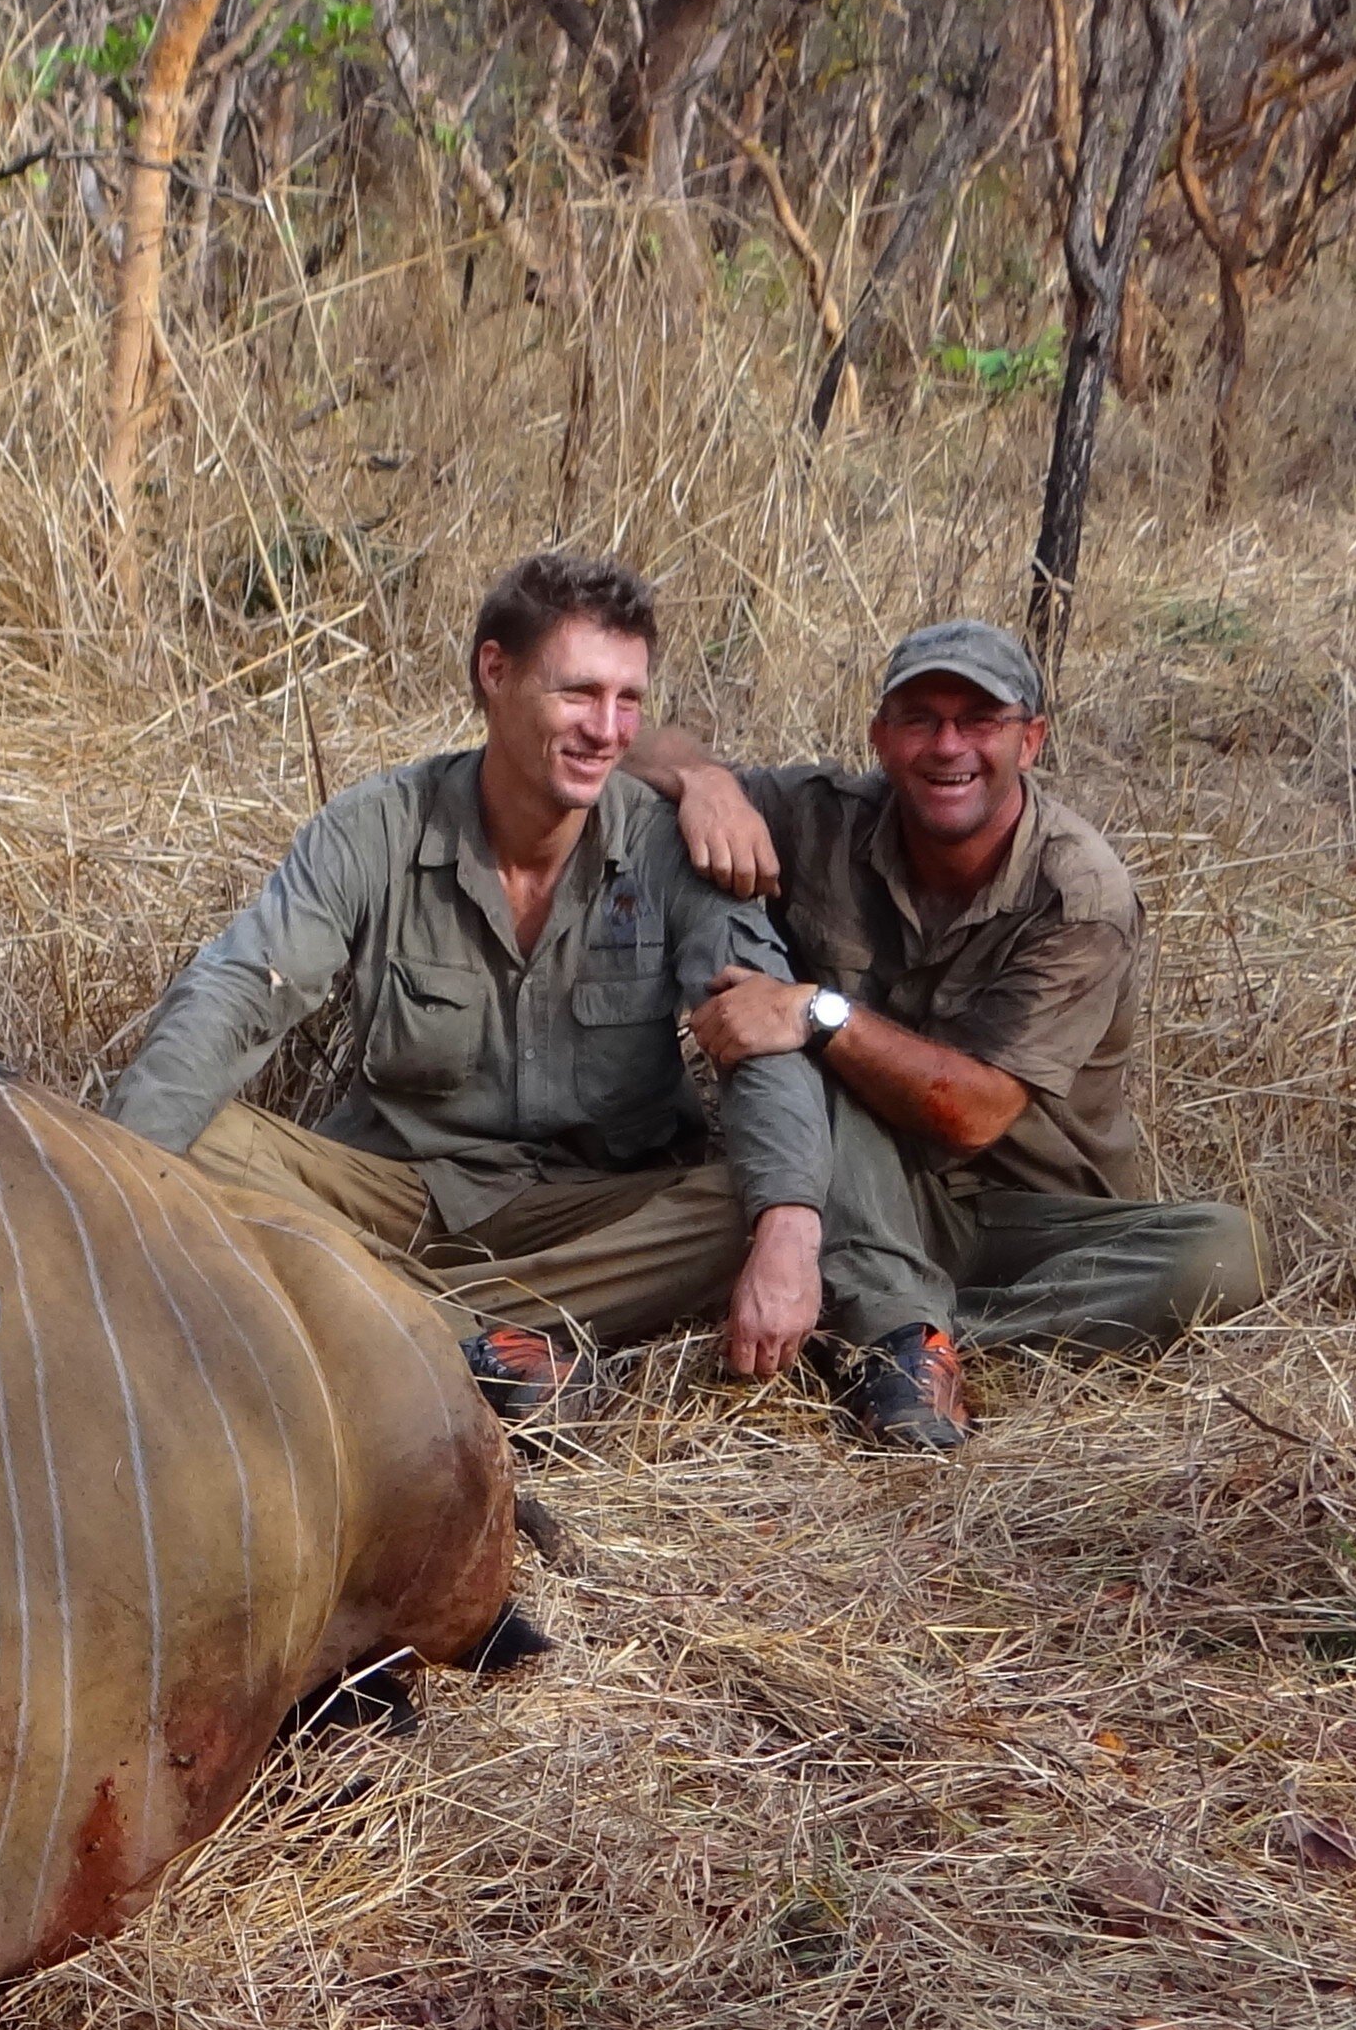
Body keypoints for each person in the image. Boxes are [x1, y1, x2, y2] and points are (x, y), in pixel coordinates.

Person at [108, 551, 830, 1421]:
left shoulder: (670, 845)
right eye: (578, 693)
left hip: (591, 1211)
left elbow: (764, 1033)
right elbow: (238, 993)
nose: (608, 730)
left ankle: (391, 1317)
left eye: (628, 700)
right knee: (196, 1141)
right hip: (397, 1194)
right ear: (496, 672)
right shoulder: (374, 827)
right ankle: (473, 1338)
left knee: (759, 1201)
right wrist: (103, 1188)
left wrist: (789, 1226)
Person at [632, 614, 1263, 1453]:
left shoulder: (1078, 894)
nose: (948, 746)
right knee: (814, 1072)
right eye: (920, 718)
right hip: (861, 1180)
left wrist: (819, 1010)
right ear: (881, 737)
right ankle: (899, 1338)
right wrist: (705, 782)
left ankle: (894, 1325)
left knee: (1228, 1254)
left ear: (1030, 741)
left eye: (980, 722)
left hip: (1029, 1217)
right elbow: (629, 745)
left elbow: (973, 1112)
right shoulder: (825, 818)